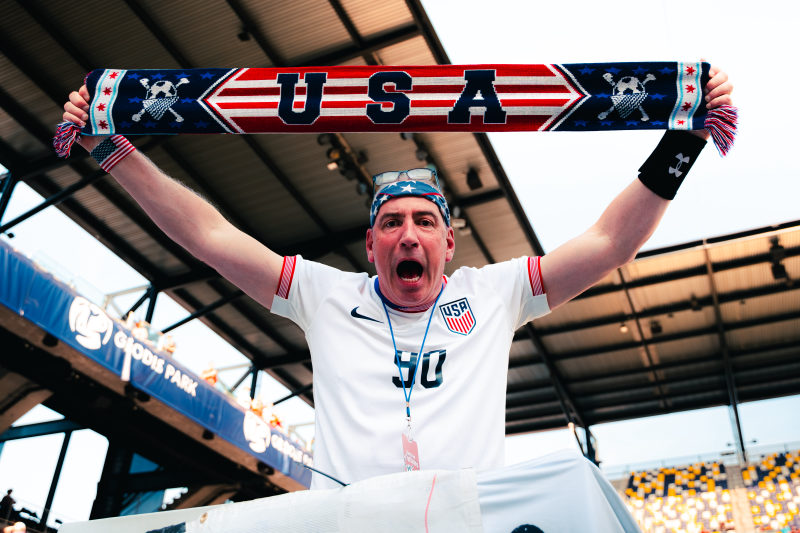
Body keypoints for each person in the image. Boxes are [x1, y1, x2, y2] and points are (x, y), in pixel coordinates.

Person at [62, 65, 733, 490]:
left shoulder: (493, 295)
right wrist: (110, 149)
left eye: (423, 221)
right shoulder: (324, 296)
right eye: (391, 222)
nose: (408, 234)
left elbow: (611, 241)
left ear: (449, 241)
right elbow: (208, 237)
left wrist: (684, 141)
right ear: (371, 243)